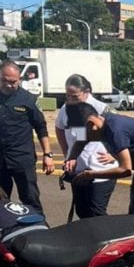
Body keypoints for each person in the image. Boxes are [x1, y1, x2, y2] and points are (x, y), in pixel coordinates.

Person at [0, 61, 55, 212]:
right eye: (5, 81)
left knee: (30, 198)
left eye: (13, 82)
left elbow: (41, 127)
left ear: (19, 80)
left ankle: (38, 230)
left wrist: (47, 154)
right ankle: (2, 230)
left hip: (22, 157)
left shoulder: (28, 99)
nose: (9, 85)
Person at [69, 103, 134, 221]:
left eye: (84, 133)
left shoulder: (116, 130)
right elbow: (81, 141)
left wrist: (90, 174)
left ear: (92, 125)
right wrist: (72, 157)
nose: (85, 137)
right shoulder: (100, 121)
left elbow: (125, 170)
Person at [56, 75, 116, 219]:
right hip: (78, 169)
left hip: (101, 169)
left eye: (75, 96)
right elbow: (61, 129)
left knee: (97, 212)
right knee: (82, 212)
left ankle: (106, 239)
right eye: (68, 95)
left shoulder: (102, 109)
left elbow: (120, 133)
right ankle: (89, 240)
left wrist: (113, 154)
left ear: (86, 91)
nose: (70, 99)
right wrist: (68, 155)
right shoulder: (66, 109)